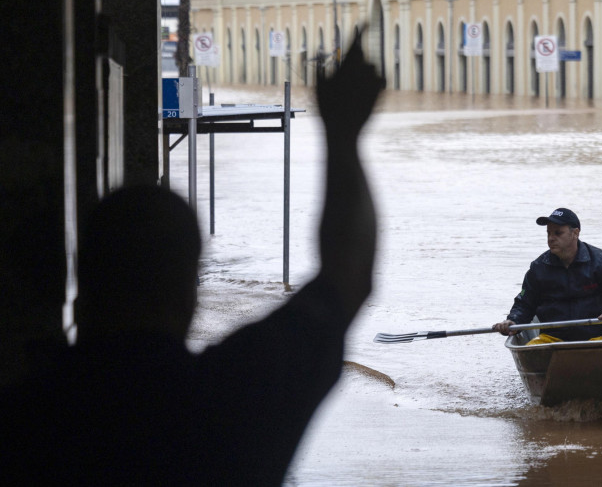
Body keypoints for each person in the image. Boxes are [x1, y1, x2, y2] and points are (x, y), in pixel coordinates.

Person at [0, 31, 385, 485]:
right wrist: (343, 134)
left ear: (80, 290)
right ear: (188, 296)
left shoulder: (22, 420)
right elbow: (348, 274)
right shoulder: (235, 398)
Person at [493, 208, 602, 344]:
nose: (551, 238)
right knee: (533, 349)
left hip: (596, 337)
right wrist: (512, 321)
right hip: (552, 338)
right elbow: (524, 304)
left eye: (557, 233)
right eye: (548, 233)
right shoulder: (538, 267)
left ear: (575, 233)